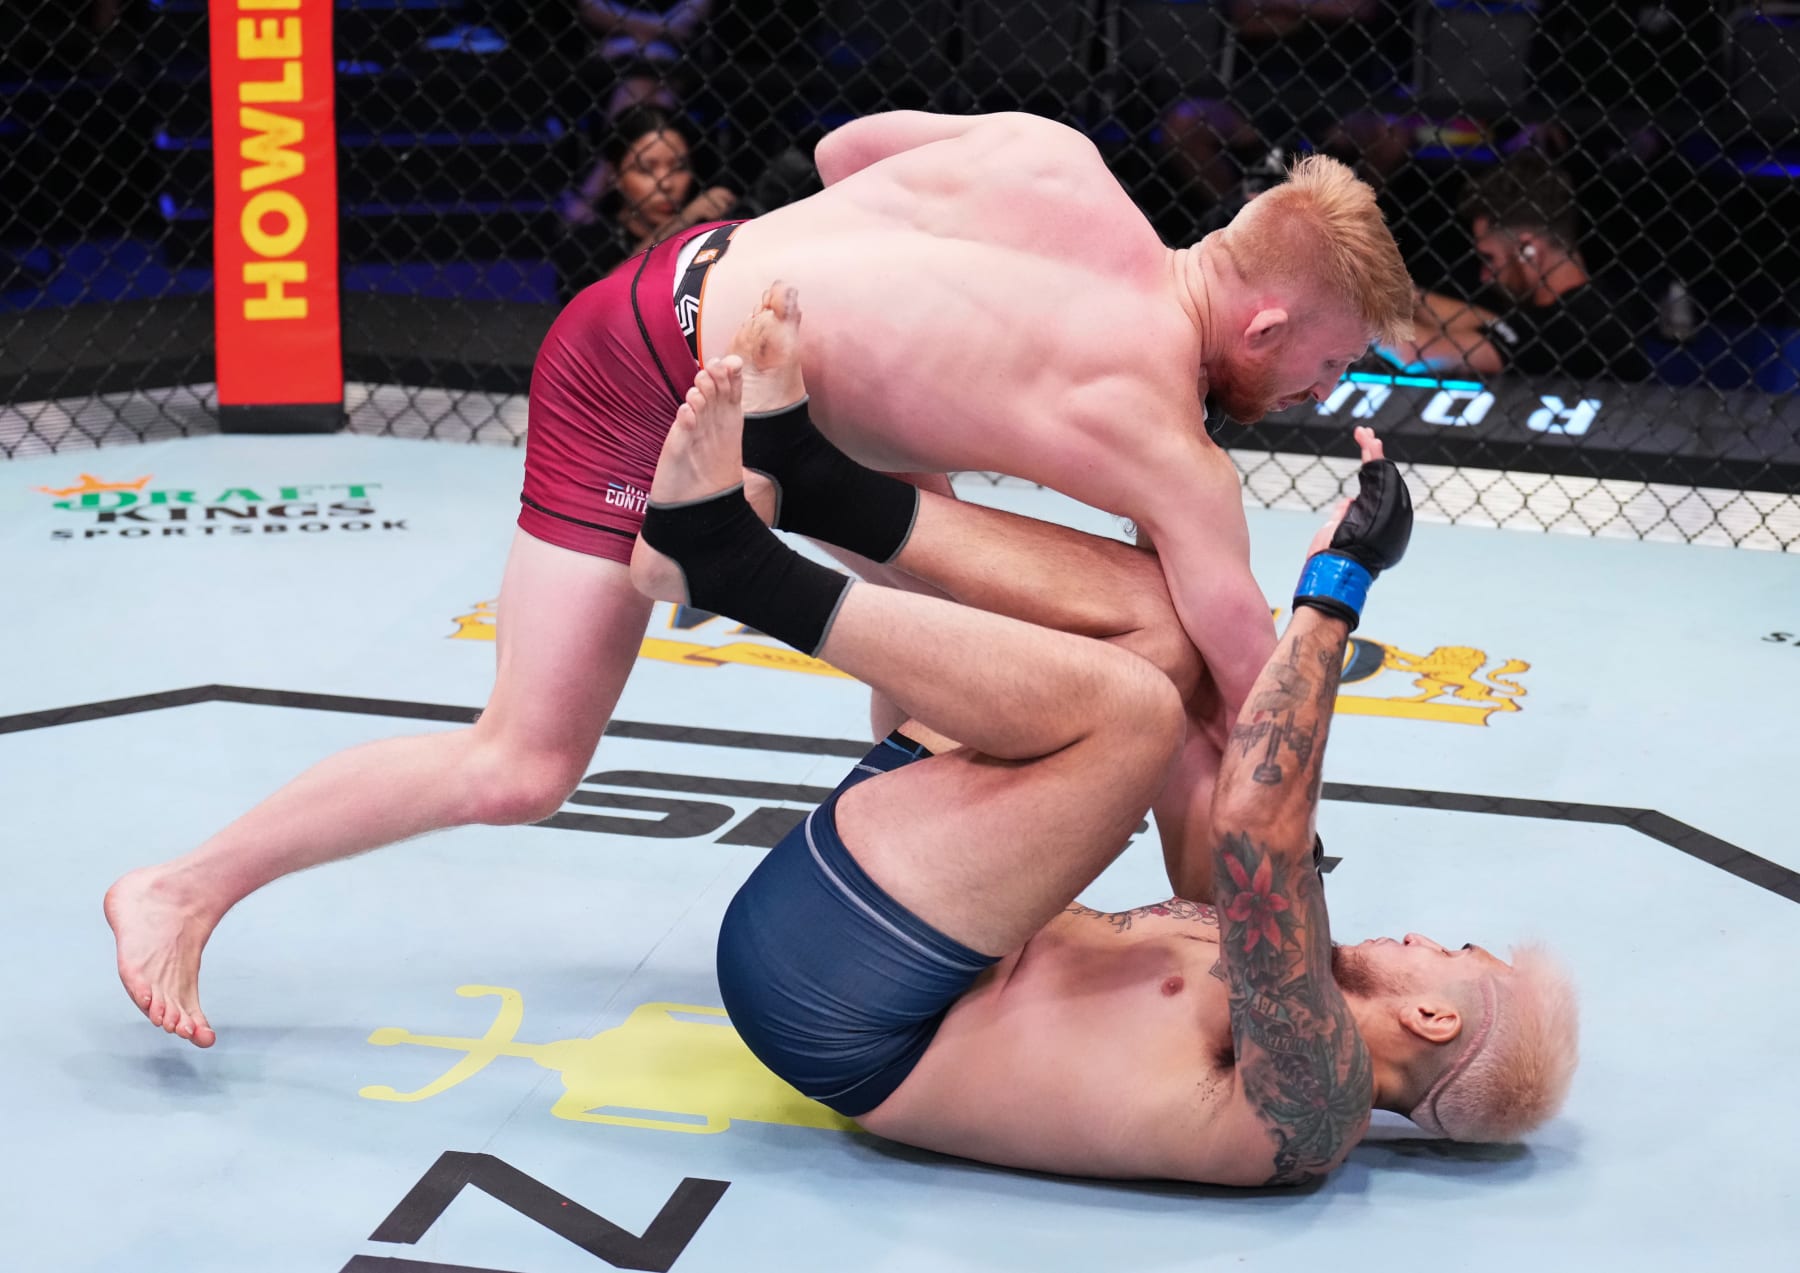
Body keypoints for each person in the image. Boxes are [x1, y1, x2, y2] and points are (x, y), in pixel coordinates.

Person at [107, 110, 1414, 1048]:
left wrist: (901, 364)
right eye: (1322, 367)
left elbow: (847, 156)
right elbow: (1255, 687)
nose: (1312, 396)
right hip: (656, 381)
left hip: (722, 315)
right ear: (1266, 323)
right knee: (521, 763)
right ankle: (180, 886)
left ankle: (942, 901)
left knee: (985, 632)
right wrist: (1302, 920)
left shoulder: (1051, 157)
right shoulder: (1166, 445)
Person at [630, 301, 1578, 1180]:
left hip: (847, 997)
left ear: (1434, 1015)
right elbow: (1221, 751)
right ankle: (819, 485)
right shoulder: (1276, 958)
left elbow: (1260, 824)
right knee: (1165, 641)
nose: (1425, 933)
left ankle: (731, 566)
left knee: (1130, 715)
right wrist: (1177, 466)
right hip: (910, 900)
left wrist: (1339, 586)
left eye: (1456, 947)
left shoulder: (1317, 1105)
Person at [1382, 154, 1651, 381]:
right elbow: (1488, 321)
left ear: (1528, 250)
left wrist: (1352, 305)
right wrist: (1402, 295)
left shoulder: (1572, 330)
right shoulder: (1583, 305)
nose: (1485, 275)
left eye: (1490, 258)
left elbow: (1414, 354)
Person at [554, 104, 738, 302]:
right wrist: (681, 222)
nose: (666, 183)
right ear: (615, 175)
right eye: (645, 169)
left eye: (679, 167)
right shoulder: (587, 242)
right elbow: (594, 305)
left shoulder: (710, 238)